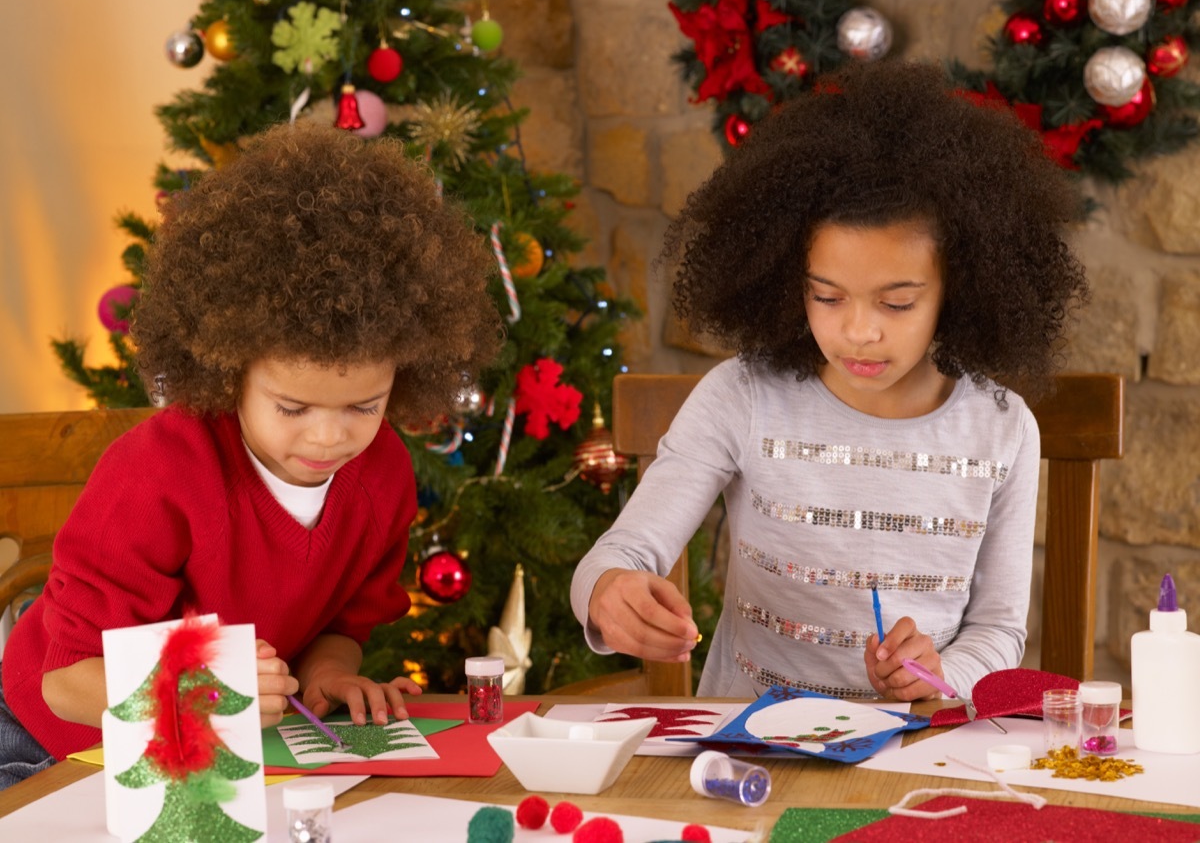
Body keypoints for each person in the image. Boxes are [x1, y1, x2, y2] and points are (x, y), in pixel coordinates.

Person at [0, 120, 502, 789]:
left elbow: (345, 620)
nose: (329, 440)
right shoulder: (156, 474)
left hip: (220, 760)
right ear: (228, 372)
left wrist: (330, 676)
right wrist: (198, 697)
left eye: (363, 406)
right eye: (292, 408)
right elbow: (64, 683)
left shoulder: (381, 475)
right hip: (50, 743)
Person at [570, 59, 1088, 702]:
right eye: (827, 297)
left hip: (913, 758)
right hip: (750, 749)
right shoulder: (744, 396)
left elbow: (997, 632)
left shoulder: (1002, 429)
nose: (859, 331)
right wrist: (608, 590)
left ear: (960, 291)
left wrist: (936, 676)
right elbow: (623, 551)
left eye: (896, 303)